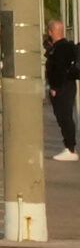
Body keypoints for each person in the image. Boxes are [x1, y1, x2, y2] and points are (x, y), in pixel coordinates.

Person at [47, 20, 78, 161]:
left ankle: (70, 148)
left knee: (64, 117)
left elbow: (58, 70)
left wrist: (54, 87)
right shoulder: (67, 47)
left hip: (62, 88)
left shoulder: (58, 49)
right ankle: (69, 146)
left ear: (51, 32)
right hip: (69, 86)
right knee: (65, 117)